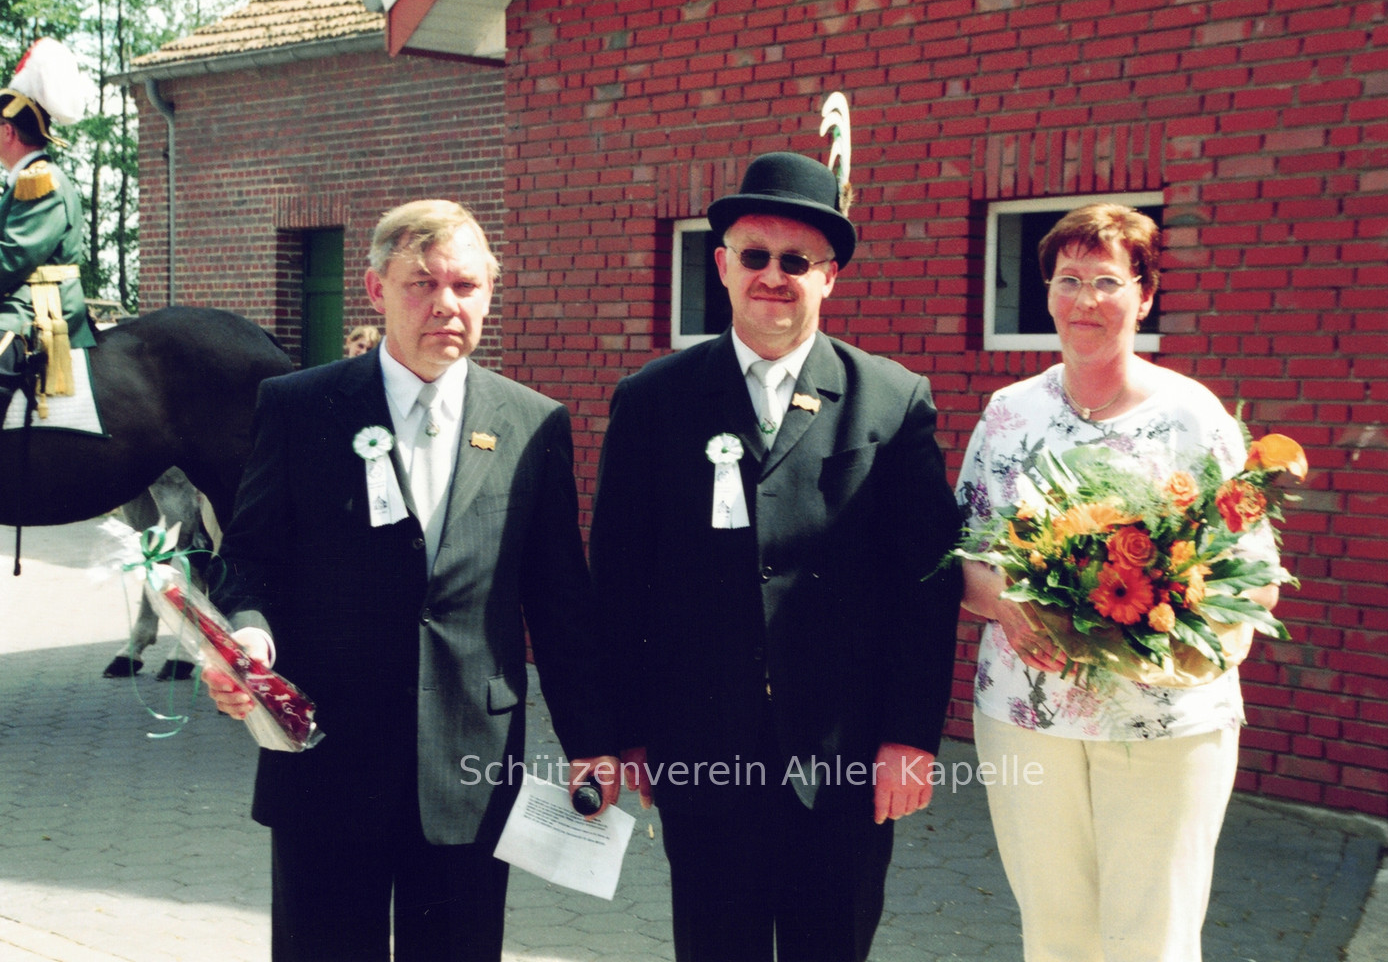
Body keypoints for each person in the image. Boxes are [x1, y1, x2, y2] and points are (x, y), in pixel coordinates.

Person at [206, 200, 619, 962]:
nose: (445, 305)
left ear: (490, 291)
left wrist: (593, 742)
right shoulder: (299, 407)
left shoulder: (533, 423)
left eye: (465, 286)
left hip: (470, 766)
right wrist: (249, 640)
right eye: (421, 284)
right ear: (375, 289)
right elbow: (249, 559)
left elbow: (559, 603)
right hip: (327, 760)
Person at [590, 151, 963, 962]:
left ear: (829, 277)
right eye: (754, 255)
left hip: (844, 753)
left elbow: (924, 587)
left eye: (795, 262)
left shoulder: (890, 399)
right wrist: (626, 733)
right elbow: (618, 581)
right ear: (722, 265)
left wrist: (909, 738)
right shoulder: (652, 400)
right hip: (700, 748)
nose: (772, 276)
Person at [954, 203, 1284, 962]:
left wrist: (1173, 617)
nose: (1086, 301)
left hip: (1164, 723)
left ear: (1144, 295)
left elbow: (1257, 577)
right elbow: (961, 559)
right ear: (1046, 294)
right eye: (1068, 280)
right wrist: (1006, 604)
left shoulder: (1193, 417)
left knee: (1151, 938)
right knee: (1054, 935)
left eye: (1107, 281)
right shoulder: (1009, 415)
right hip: (1028, 712)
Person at [0, 37, 93, 404]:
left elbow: (13, 259)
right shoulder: (25, 180)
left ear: (8, 131)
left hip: (40, 307)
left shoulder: (38, 181)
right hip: (24, 300)